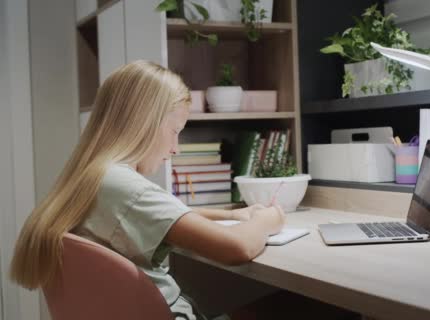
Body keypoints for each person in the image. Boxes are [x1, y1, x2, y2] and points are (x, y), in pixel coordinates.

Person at [10, 60, 286, 320]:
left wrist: (236, 216)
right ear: (144, 123)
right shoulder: (125, 186)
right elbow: (237, 249)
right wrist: (267, 219)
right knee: (291, 306)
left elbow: (165, 216)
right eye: (175, 131)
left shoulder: (93, 177)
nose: (175, 148)